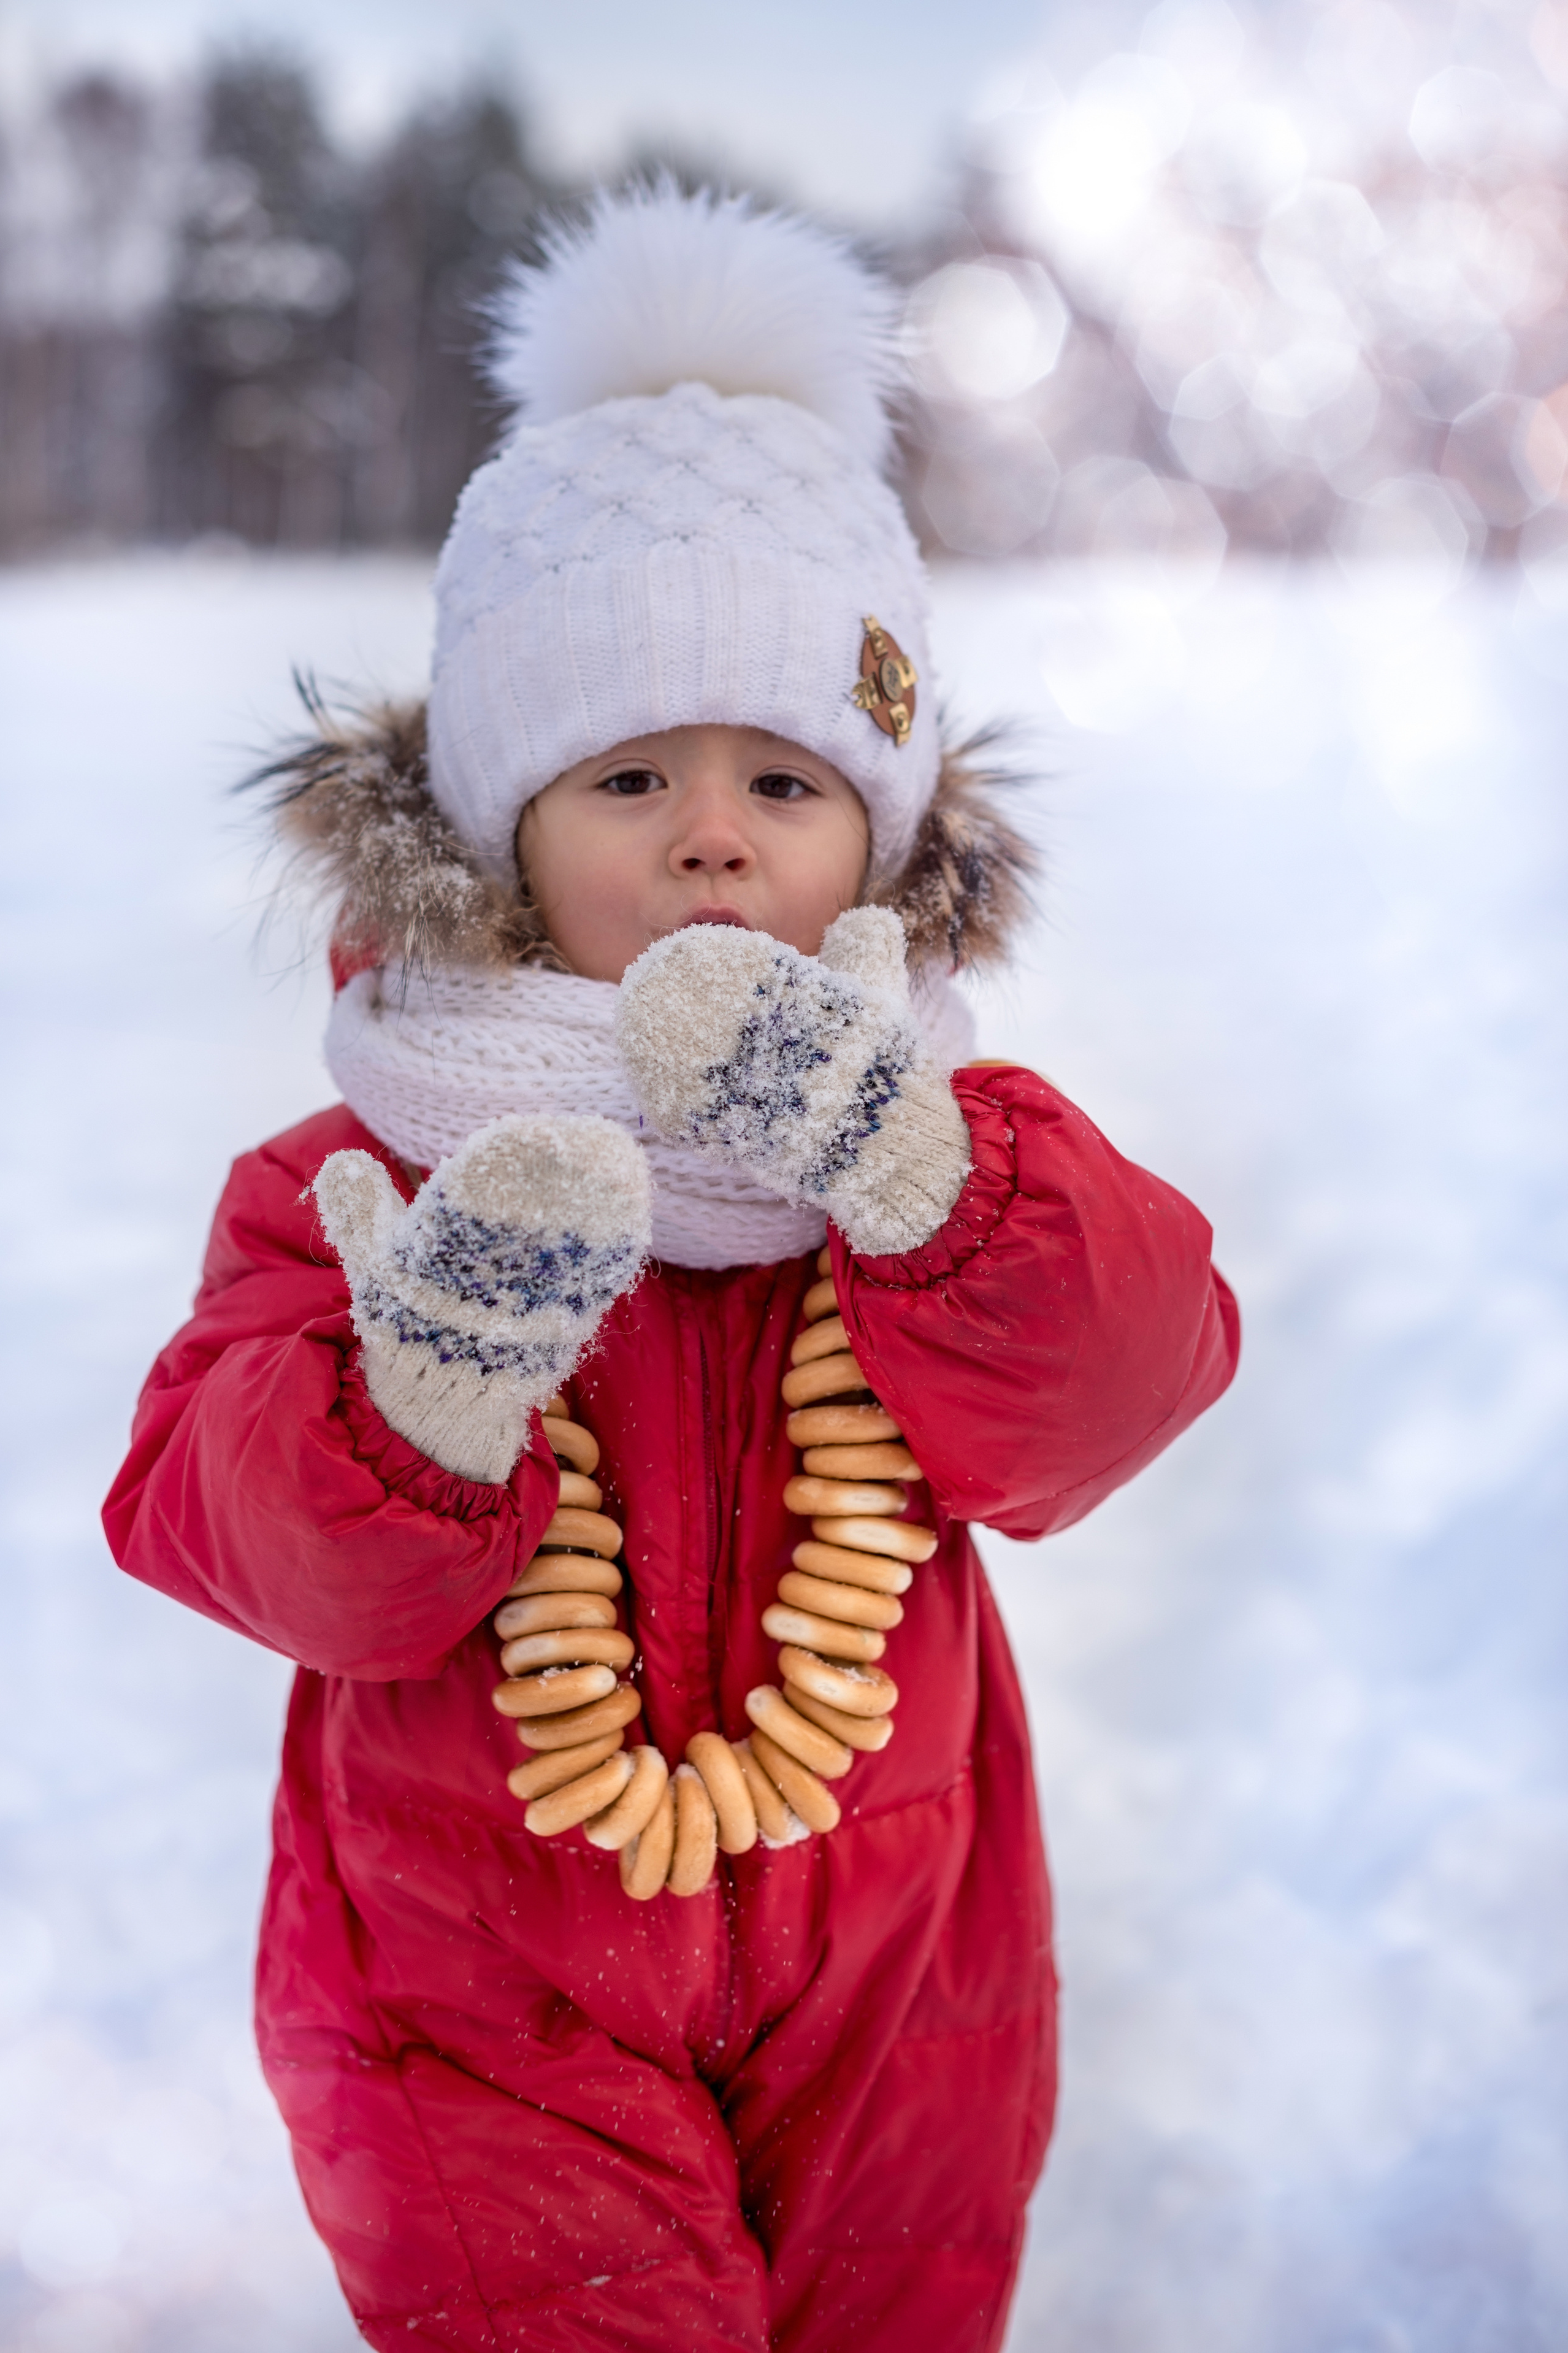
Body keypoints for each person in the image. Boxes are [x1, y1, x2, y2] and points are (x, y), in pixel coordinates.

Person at [104, 184, 1239, 2353]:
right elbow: (210, 1511)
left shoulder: (953, 1147)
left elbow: (1124, 1380)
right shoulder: (368, 1173)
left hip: (903, 1981)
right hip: (472, 1990)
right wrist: (417, 1388)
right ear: (497, 829)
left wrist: (911, 1172)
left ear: (883, 837)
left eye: (787, 779)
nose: (714, 831)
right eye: (629, 773)